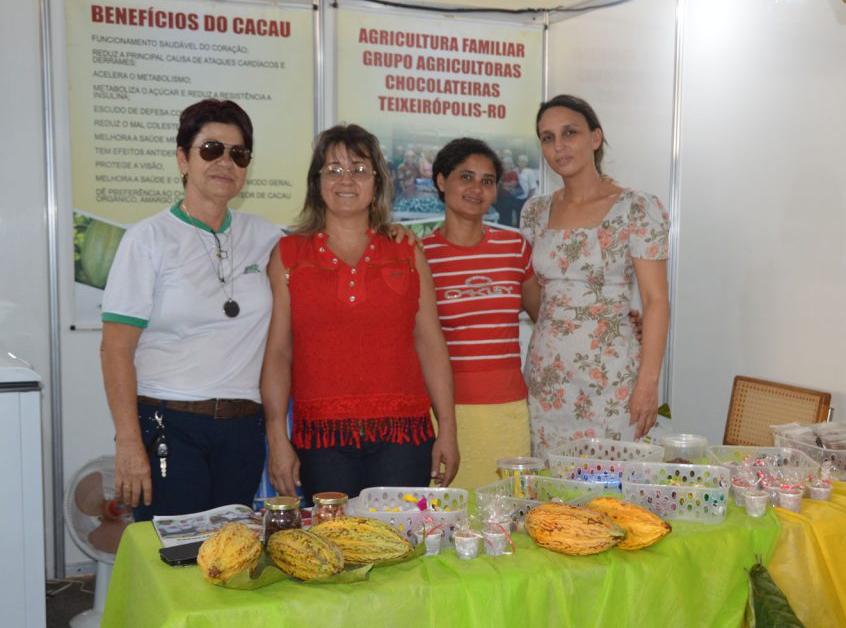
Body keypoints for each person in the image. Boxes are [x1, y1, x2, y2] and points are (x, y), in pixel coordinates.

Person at [99, 99, 281, 520]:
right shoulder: (148, 239)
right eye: (211, 149)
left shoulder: (266, 236)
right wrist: (128, 442)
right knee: (174, 560)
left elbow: (331, 236)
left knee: (232, 561)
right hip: (169, 426)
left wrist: (389, 230)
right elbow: (114, 351)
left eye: (238, 154)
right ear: (183, 158)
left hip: (242, 430)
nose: (225, 163)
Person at [261, 124, 459, 502]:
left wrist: (447, 428)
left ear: (377, 182)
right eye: (333, 170)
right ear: (316, 183)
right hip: (322, 443)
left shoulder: (407, 251)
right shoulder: (288, 254)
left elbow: (431, 343)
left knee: (400, 551)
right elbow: (278, 353)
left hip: (404, 439)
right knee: (335, 553)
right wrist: (277, 438)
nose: (346, 180)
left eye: (359, 169)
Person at [520, 94, 671, 457]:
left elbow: (656, 301)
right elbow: (535, 298)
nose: (559, 146)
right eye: (548, 137)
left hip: (613, 378)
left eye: (569, 132)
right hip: (548, 378)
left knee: (615, 490)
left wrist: (648, 384)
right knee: (553, 498)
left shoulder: (636, 208)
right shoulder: (535, 212)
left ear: (595, 138)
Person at [422, 138, 540, 489]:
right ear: (442, 181)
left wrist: (618, 320)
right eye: (466, 177)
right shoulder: (420, 254)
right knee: (443, 523)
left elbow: (549, 318)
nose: (477, 189)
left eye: (487, 181)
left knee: (507, 518)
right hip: (445, 413)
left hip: (507, 410)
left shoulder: (515, 248)